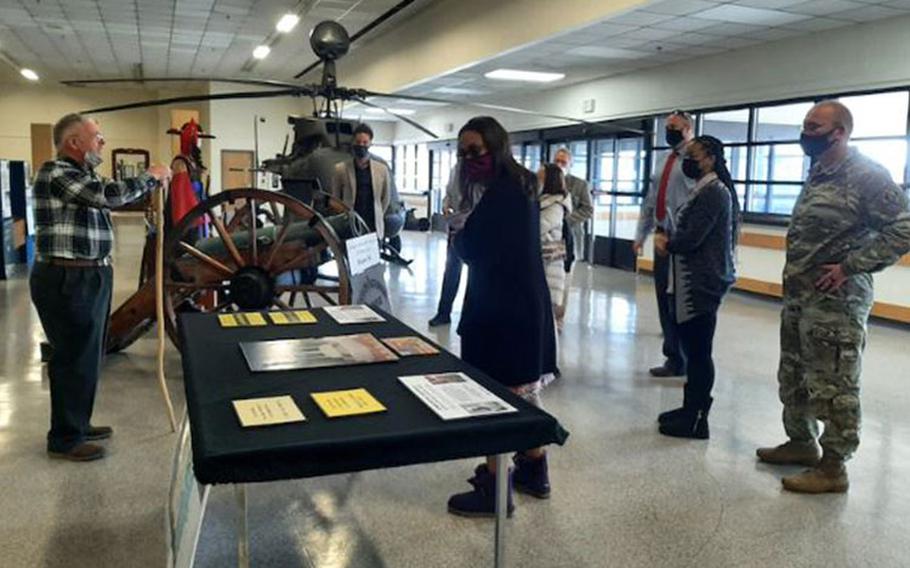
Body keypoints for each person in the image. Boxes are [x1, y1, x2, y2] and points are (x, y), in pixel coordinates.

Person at [756, 101, 910, 493]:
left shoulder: (867, 176)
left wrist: (851, 266)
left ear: (839, 132)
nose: (805, 132)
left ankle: (834, 467)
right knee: (795, 374)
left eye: (813, 125)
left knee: (835, 384)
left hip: (836, 304)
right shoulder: (819, 172)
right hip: (800, 297)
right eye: (805, 124)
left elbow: (904, 227)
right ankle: (802, 443)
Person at [30, 113, 170, 461]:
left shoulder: (84, 175)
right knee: (73, 356)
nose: (102, 142)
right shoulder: (56, 173)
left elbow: (112, 195)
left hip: (89, 274)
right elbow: (106, 196)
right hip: (66, 276)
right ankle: (65, 438)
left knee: (88, 355)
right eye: (96, 137)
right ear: (73, 143)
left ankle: (77, 421)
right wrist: (150, 178)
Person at [446, 116, 558, 517]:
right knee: (524, 393)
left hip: (500, 309)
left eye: (474, 150)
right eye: (462, 152)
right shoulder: (522, 184)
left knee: (494, 397)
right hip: (523, 303)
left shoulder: (501, 194)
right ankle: (534, 469)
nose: (468, 158)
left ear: (495, 145)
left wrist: (458, 230)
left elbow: (472, 249)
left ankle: (496, 489)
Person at [654, 135, 739, 440]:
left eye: (695, 156)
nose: (688, 161)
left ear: (711, 159)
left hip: (702, 282)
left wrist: (668, 244)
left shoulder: (715, 192)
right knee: (692, 348)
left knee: (700, 352)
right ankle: (690, 407)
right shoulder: (702, 190)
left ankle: (697, 418)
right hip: (690, 279)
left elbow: (692, 237)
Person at [634, 110, 696, 378]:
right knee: (663, 298)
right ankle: (673, 357)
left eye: (674, 127)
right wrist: (640, 235)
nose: (669, 131)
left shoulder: (696, 161)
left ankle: (687, 357)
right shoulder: (663, 159)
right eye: (667, 127)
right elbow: (651, 199)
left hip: (684, 240)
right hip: (662, 237)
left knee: (681, 302)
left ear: (688, 129)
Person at [427, 163, 484, 327]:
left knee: (474, 274)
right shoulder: (456, 169)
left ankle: (470, 318)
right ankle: (443, 312)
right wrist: (446, 205)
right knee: (451, 270)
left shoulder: (484, 173)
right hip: (456, 228)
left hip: (475, 227)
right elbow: (449, 194)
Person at [552, 148, 593, 329]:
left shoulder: (580, 185)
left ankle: (559, 318)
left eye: (563, 162)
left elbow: (588, 210)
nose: (560, 165)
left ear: (570, 165)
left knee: (565, 282)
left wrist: (565, 220)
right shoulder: (545, 182)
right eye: (557, 161)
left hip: (570, 241)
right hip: (548, 240)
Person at [331, 123, 392, 239]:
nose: (361, 145)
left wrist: (378, 213)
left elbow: (385, 199)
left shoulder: (382, 170)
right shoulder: (340, 169)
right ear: (353, 143)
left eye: (365, 143)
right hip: (349, 226)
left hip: (373, 227)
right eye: (358, 142)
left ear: (370, 144)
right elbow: (335, 199)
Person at [538, 163, 573, 330]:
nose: (537, 178)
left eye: (540, 176)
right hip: (540, 259)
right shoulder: (540, 200)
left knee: (546, 312)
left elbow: (538, 228)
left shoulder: (556, 205)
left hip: (549, 261)